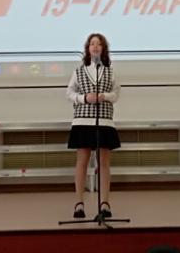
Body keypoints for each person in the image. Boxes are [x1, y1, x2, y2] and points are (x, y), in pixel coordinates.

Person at [66, 33, 121, 219]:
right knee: (82, 162)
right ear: (88, 49)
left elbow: (116, 94)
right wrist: (84, 98)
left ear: (103, 49)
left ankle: (104, 203)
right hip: (82, 121)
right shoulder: (79, 71)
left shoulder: (110, 71)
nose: (95, 46)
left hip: (104, 121)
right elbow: (69, 93)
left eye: (99, 44)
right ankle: (79, 204)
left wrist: (103, 96)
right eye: (92, 44)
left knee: (104, 162)